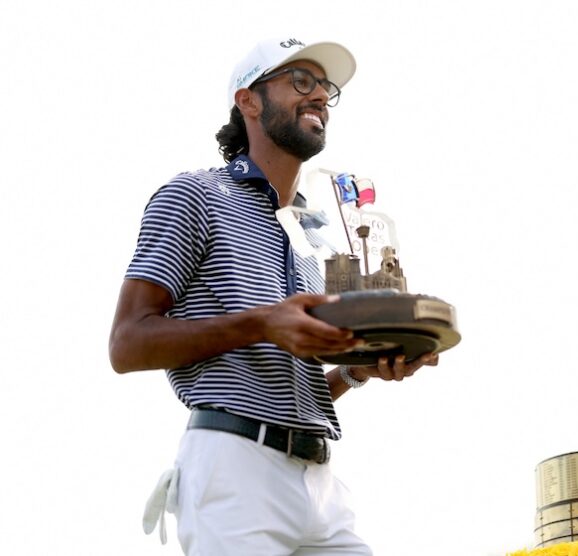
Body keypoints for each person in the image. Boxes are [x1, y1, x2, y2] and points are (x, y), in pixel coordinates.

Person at [108, 36, 438, 555]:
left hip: (320, 479)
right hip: (234, 469)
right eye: (300, 81)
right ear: (249, 100)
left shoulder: (311, 236)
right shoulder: (194, 195)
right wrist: (262, 323)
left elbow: (290, 391)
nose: (319, 97)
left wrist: (358, 370)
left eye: (324, 88)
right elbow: (126, 346)